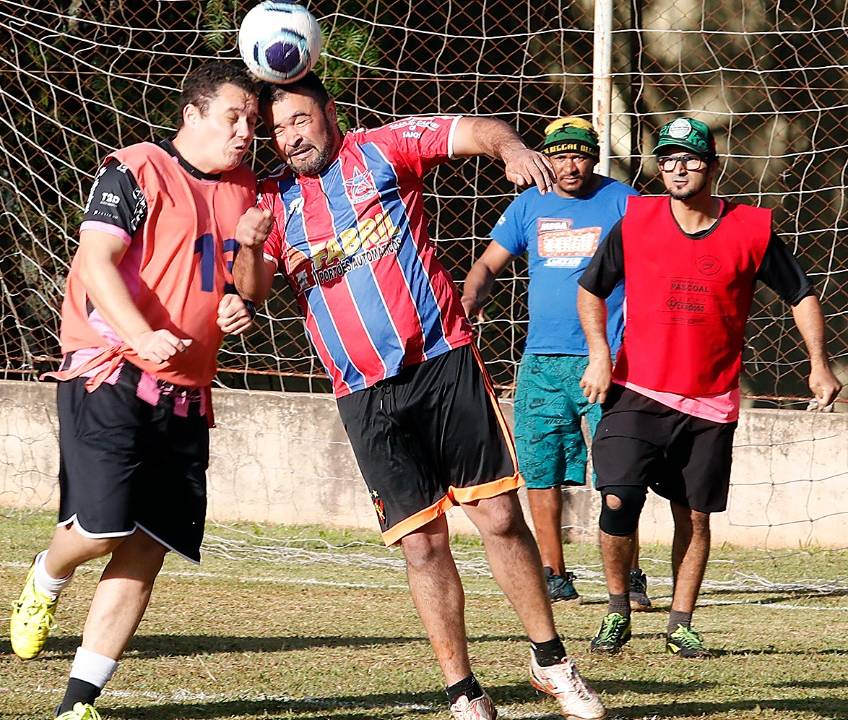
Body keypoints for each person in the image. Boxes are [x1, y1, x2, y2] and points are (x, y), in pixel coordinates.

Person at [233, 73, 605, 720]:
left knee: (496, 518)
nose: (289, 137)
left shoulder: (383, 148)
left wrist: (511, 150)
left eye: (299, 120)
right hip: (363, 393)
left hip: (441, 364)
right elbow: (253, 289)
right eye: (278, 129)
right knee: (422, 544)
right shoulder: (272, 201)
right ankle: (464, 693)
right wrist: (245, 241)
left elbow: (473, 130)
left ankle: (550, 660)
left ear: (330, 112)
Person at [5, 61, 259, 720]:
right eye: (233, 117)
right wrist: (141, 334)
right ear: (193, 114)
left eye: (252, 121)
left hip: (188, 391)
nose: (244, 132)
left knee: (149, 543)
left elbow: (245, 285)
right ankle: (48, 572)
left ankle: (78, 702)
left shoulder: (244, 191)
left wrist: (241, 303)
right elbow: (94, 263)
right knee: (102, 526)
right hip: (110, 368)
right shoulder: (137, 168)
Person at [578, 117, 841, 658]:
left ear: (712, 166)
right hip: (637, 389)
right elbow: (591, 290)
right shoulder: (636, 219)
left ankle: (680, 622)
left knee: (693, 515)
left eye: (690, 159)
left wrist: (819, 363)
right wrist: (601, 355)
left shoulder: (752, 229)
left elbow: (801, 293)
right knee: (617, 496)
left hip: (711, 401)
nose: (678, 168)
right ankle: (616, 610)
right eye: (668, 159)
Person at [462, 116, 651, 607]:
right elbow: (487, 264)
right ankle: (554, 573)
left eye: (580, 154)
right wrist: (471, 297)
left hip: (606, 359)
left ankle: (629, 576)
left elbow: (659, 262)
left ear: (593, 157)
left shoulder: (624, 202)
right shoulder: (528, 206)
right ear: (545, 158)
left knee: (619, 471)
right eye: (560, 155)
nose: (571, 165)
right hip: (542, 362)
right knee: (541, 470)